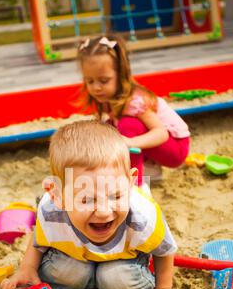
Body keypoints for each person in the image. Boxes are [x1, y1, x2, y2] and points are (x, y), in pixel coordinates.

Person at [1, 121, 177, 289]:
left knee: (116, 278)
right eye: (86, 199)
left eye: (116, 195)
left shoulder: (142, 217)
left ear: (130, 183)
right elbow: (40, 238)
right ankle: (71, 284)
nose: (103, 211)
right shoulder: (52, 211)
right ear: (56, 195)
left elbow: (164, 250)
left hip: (122, 263)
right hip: (74, 259)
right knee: (67, 272)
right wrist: (27, 268)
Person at [77, 34, 191, 185]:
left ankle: (134, 185)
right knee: (107, 129)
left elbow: (161, 133)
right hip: (154, 145)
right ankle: (149, 169)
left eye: (104, 80)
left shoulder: (134, 101)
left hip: (176, 147)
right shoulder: (106, 96)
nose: (96, 87)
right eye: (89, 81)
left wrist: (130, 142)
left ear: (121, 74)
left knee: (128, 126)